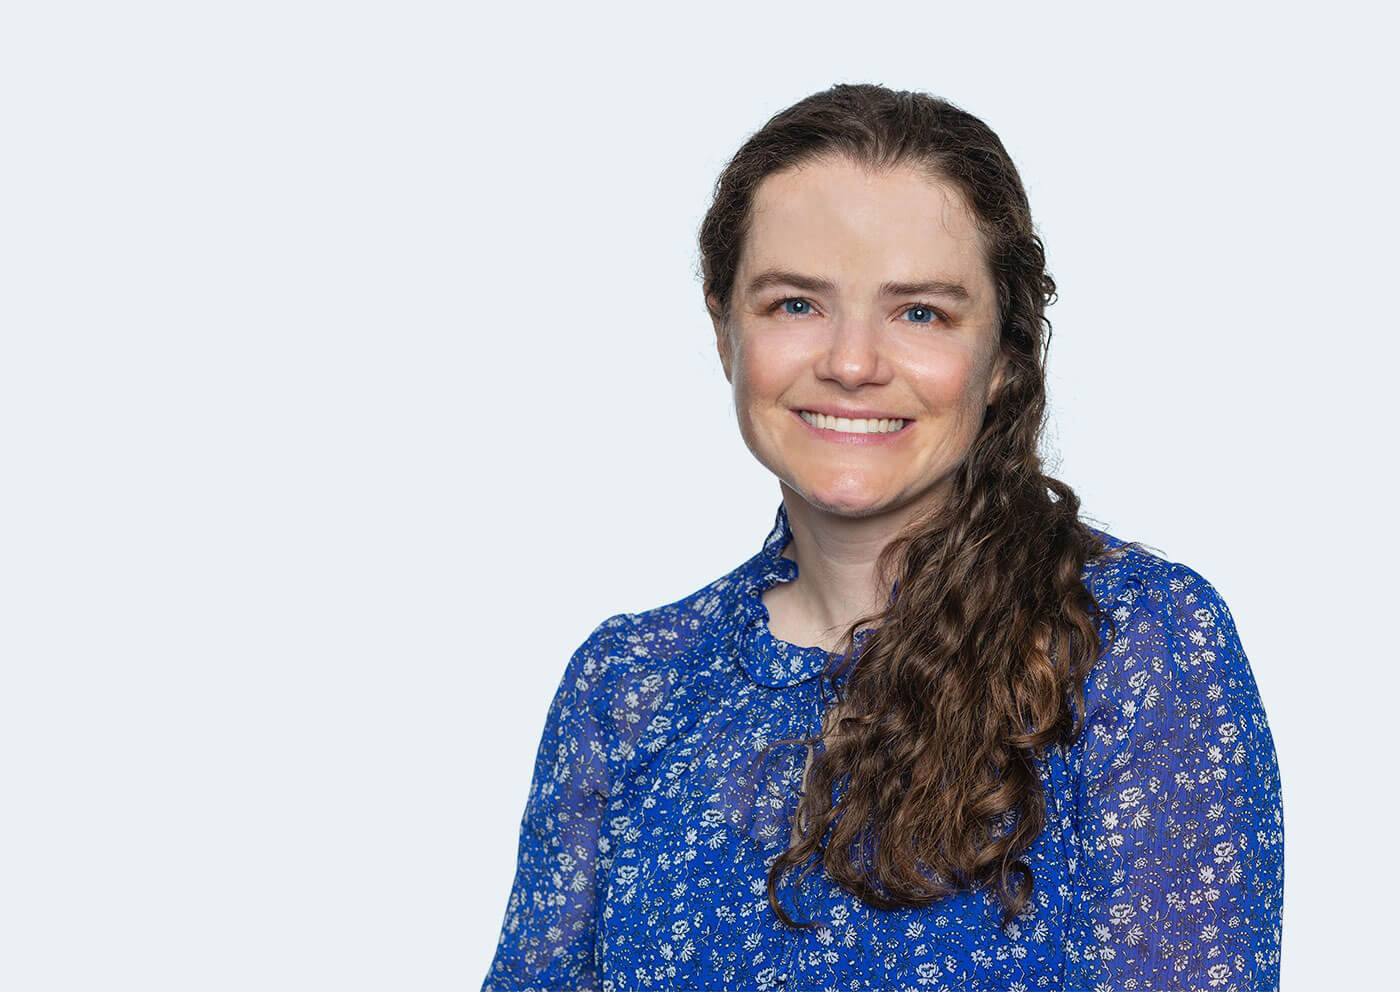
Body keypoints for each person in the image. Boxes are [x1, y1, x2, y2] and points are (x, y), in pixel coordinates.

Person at [480, 83, 1284, 992]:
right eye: (795, 305)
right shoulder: (628, 686)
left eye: (921, 312)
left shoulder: (1134, 644)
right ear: (724, 330)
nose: (852, 363)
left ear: (1003, 357)